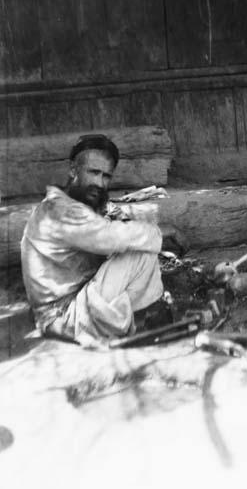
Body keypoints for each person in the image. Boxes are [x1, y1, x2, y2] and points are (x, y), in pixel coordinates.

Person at [21, 133, 184, 342]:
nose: (99, 182)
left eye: (106, 176)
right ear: (73, 170)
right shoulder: (61, 210)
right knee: (141, 254)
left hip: (65, 308)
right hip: (64, 316)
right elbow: (111, 236)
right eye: (94, 172)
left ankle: (134, 320)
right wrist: (164, 231)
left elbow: (110, 223)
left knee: (137, 245)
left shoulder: (69, 205)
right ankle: (143, 323)